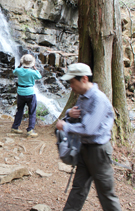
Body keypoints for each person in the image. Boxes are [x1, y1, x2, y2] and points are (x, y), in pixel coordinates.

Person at [56, 63, 121, 211]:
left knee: (106, 193)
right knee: (78, 188)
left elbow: (88, 128)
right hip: (84, 148)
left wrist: (64, 126)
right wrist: (69, 115)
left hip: (99, 151)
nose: (71, 86)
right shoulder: (83, 97)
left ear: (84, 79)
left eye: (72, 81)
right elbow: (77, 117)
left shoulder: (98, 99)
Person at [11, 54, 42, 138]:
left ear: (22, 62)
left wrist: (19, 65)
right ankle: (30, 130)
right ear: (31, 63)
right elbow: (39, 76)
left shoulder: (19, 71)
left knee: (19, 110)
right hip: (30, 93)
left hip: (20, 92)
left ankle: (15, 127)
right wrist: (35, 68)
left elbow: (14, 71)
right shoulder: (32, 72)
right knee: (32, 111)